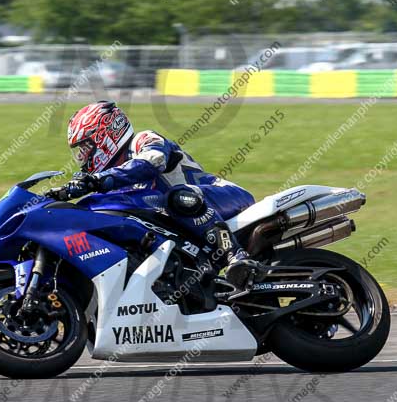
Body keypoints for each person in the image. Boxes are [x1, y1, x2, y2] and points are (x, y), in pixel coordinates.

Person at [62, 100, 258, 289]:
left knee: (179, 197)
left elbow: (152, 162)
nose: (82, 157)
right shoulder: (110, 177)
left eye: (85, 147)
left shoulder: (143, 140)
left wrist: (98, 180)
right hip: (187, 222)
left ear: (106, 136)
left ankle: (236, 255)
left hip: (226, 196)